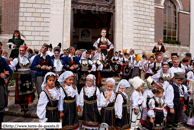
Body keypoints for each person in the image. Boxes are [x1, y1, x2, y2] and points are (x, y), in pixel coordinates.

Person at [9, 45, 35, 116]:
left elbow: (32, 68)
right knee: (21, 94)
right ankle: (22, 109)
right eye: (20, 50)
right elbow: (11, 67)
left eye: (22, 50)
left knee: (27, 93)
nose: (21, 52)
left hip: (28, 77)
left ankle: (26, 108)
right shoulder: (16, 59)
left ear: (25, 51)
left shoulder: (28, 59)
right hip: (20, 77)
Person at [0, 42, 12, 127]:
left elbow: (9, 70)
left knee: (1, 104)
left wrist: (6, 75)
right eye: (0, 48)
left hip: (1, 84)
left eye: (1, 48)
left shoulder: (2, 60)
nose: (1, 50)